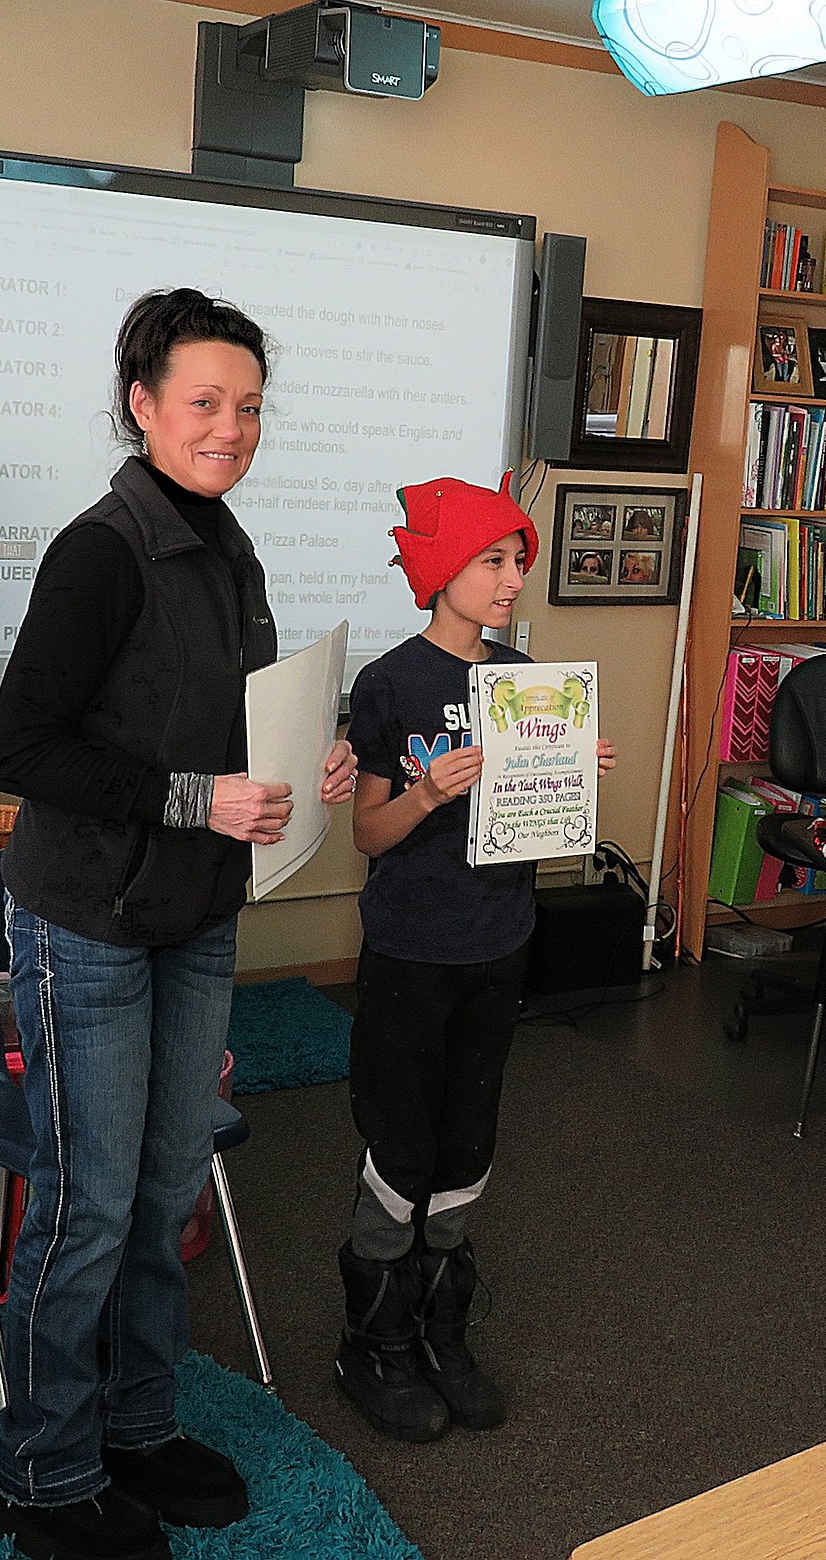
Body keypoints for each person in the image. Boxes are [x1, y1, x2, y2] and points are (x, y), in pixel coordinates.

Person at [0, 287, 356, 1560]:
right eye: (205, 403)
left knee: (160, 1192)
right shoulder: (103, 547)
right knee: (84, 1208)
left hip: (194, 912)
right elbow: (23, 746)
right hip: (87, 920)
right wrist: (205, 796)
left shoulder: (228, 538)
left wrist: (314, 761)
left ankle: (137, 1428)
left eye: (248, 407)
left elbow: (210, 718)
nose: (231, 428)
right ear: (141, 405)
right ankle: (41, 1479)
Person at [335, 473, 616, 1442]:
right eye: (493, 562)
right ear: (440, 569)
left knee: (468, 1142)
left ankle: (441, 1327)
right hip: (412, 948)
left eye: (518, 563)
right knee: (401, 1143)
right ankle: (373, 1339)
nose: (511, 582)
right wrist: (427, 794)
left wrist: (568, 768)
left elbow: (538, 819)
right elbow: (368, 837)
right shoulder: (388, 684)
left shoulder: (523, 679)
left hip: (501, 942)